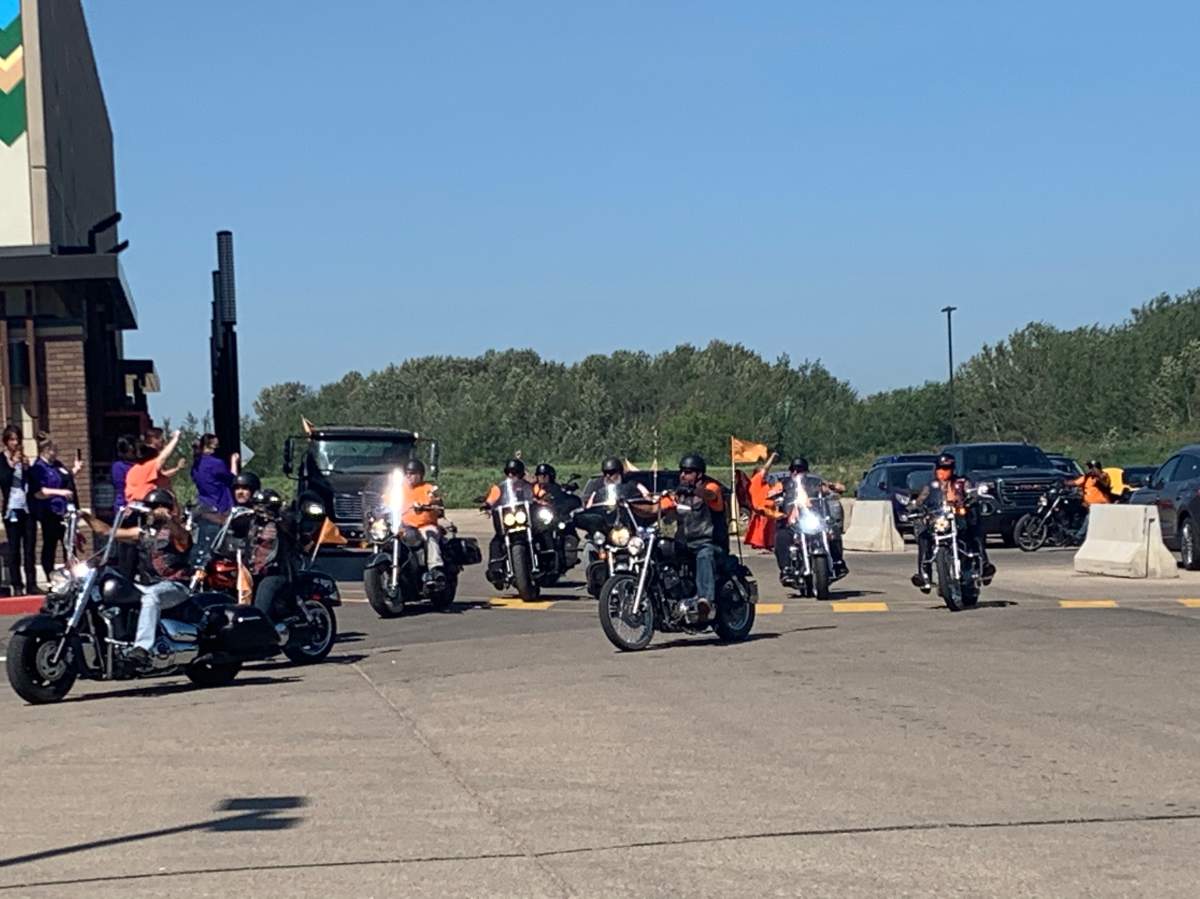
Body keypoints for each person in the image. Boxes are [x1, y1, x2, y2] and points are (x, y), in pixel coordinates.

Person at [82, 488, 191, 666]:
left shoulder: (177, 533)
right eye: (149, 506)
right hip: (145, 585)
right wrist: (84, 516)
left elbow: (181, 536)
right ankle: (107, 648)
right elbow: (107, 532)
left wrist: (169, 519)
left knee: (151, 598)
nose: (151, 511)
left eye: (156, 507)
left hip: (175, 586)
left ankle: (142, 648)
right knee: (106, 588)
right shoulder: (143, 533)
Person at [909, 453, 995, 592]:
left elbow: (971, 492)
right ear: (936, 470)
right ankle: (924, 574)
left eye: (947, 468)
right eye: (941, 468)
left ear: (953, 469)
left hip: (959, 520)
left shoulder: (961, 482)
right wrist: (915, 508)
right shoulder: (931, 486)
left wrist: (973, 497)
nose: (943, 472)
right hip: (939, 521)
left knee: (974, 532)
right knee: (924, 537)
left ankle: (984, 565)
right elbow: (921, 500)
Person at [657, 453, 726, 621]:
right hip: (684, 543)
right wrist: (630, 504)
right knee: (658, 551)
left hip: (708, 542)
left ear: (699, 474)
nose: (682, 475)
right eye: (681, 471)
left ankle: (705, 601)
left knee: (704, 555)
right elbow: (656, 509)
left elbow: (711, 496)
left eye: (687, 472)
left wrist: (693, 490)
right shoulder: (678, 494)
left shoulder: (712, 487)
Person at [769, 457, 849, 585]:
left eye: (800, 469)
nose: (797, 472)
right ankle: (786, 570)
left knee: (832, 530)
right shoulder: (784, 483)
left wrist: (834, 487)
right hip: (793, 522)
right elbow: (771, 493)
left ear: (806, 471)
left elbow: (833, 488)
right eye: (794, 469)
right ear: (791, 471)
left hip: (813, 518)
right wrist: (773, 496)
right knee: (781, 536)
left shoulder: (814, 483)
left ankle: (838, 562)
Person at [28, 436, 83, 581]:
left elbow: (65, 480)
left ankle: (73, 575)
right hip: (50, 512)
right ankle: (49, 577)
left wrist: (74, 471)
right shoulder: (38, 468)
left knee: (69, 545)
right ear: (46, 450)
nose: (56, 453)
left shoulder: (57, 465)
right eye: (54, 450)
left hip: (65, 512)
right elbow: (39, 492)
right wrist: (60, 492)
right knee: (50, 545)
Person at [482, 459, 536, 581]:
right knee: (497, 540)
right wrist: (487, 505)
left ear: (521, 474)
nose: (512, 475)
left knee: (540, 533)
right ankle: (495, 568)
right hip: (508, 521)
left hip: (526, 521)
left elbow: (537, 494)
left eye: (515, 472)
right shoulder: (500, 488)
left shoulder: (528, 487)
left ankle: (546, 558)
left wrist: (542, 499)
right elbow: (491, 499)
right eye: (509, 472)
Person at [395, 458, 445, 583]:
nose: (408, 476)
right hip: (404, 526)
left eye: (412, 473)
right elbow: (387, 499)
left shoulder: (428, 488)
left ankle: (435, 568)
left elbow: (435, 500)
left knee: (430, 535)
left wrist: (429, 503)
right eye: (406, 473)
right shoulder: (399, 488)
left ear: (420, 475)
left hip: (424, 526)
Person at [0, 426, 37, 593]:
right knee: (15, 548)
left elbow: (33, 483)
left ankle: (31, 583)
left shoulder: (23, 459)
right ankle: (17, 584)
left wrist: (27, 468)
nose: (15, 443)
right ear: (6, 442)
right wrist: (12, 465)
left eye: (17, 440)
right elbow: (4, 481)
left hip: (26, 508)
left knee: (29, 546)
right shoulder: (2, 460)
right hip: (11, 509)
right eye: (12, 440)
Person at [125, 428, 183, 503]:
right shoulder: (147, 467)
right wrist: (176, 438)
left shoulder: (133, 471)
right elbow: (163, 457)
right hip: (147, 506)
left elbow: (162, 475)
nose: (162, 441)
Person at [191, 433, 239, 518]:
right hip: (220, 505)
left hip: (204, 504)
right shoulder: (216, 463)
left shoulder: (196, 465)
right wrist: (233, 461)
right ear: (212, 446)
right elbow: (232, 479)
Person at [1068, 459, 1113, 540]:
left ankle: (1079, 536)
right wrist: (1062, 482)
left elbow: (1105, 483)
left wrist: (1097, 477)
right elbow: (1075, 482)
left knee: (1089, 518)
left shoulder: (1104, 476)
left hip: (1101, 504)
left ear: (1098, 468)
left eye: (1092, 468)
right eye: (1090, 468)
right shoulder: (1087, 477)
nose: (1090, 470)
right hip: (1088, 504)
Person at [745, 451, 780, 551]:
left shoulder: (765, 484)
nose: (766, 475)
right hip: (761, 510)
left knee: (769, 530)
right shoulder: (756, 480)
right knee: (762, 530)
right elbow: (765, 469)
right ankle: (762, 546)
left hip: (768, 510)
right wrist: (772, 458)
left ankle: (768, 545)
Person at [110, 435, 136, 517]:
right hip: (125, 505)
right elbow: (121, 488)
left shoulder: (138, 465)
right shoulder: (119, 466)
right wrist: (124, 506)